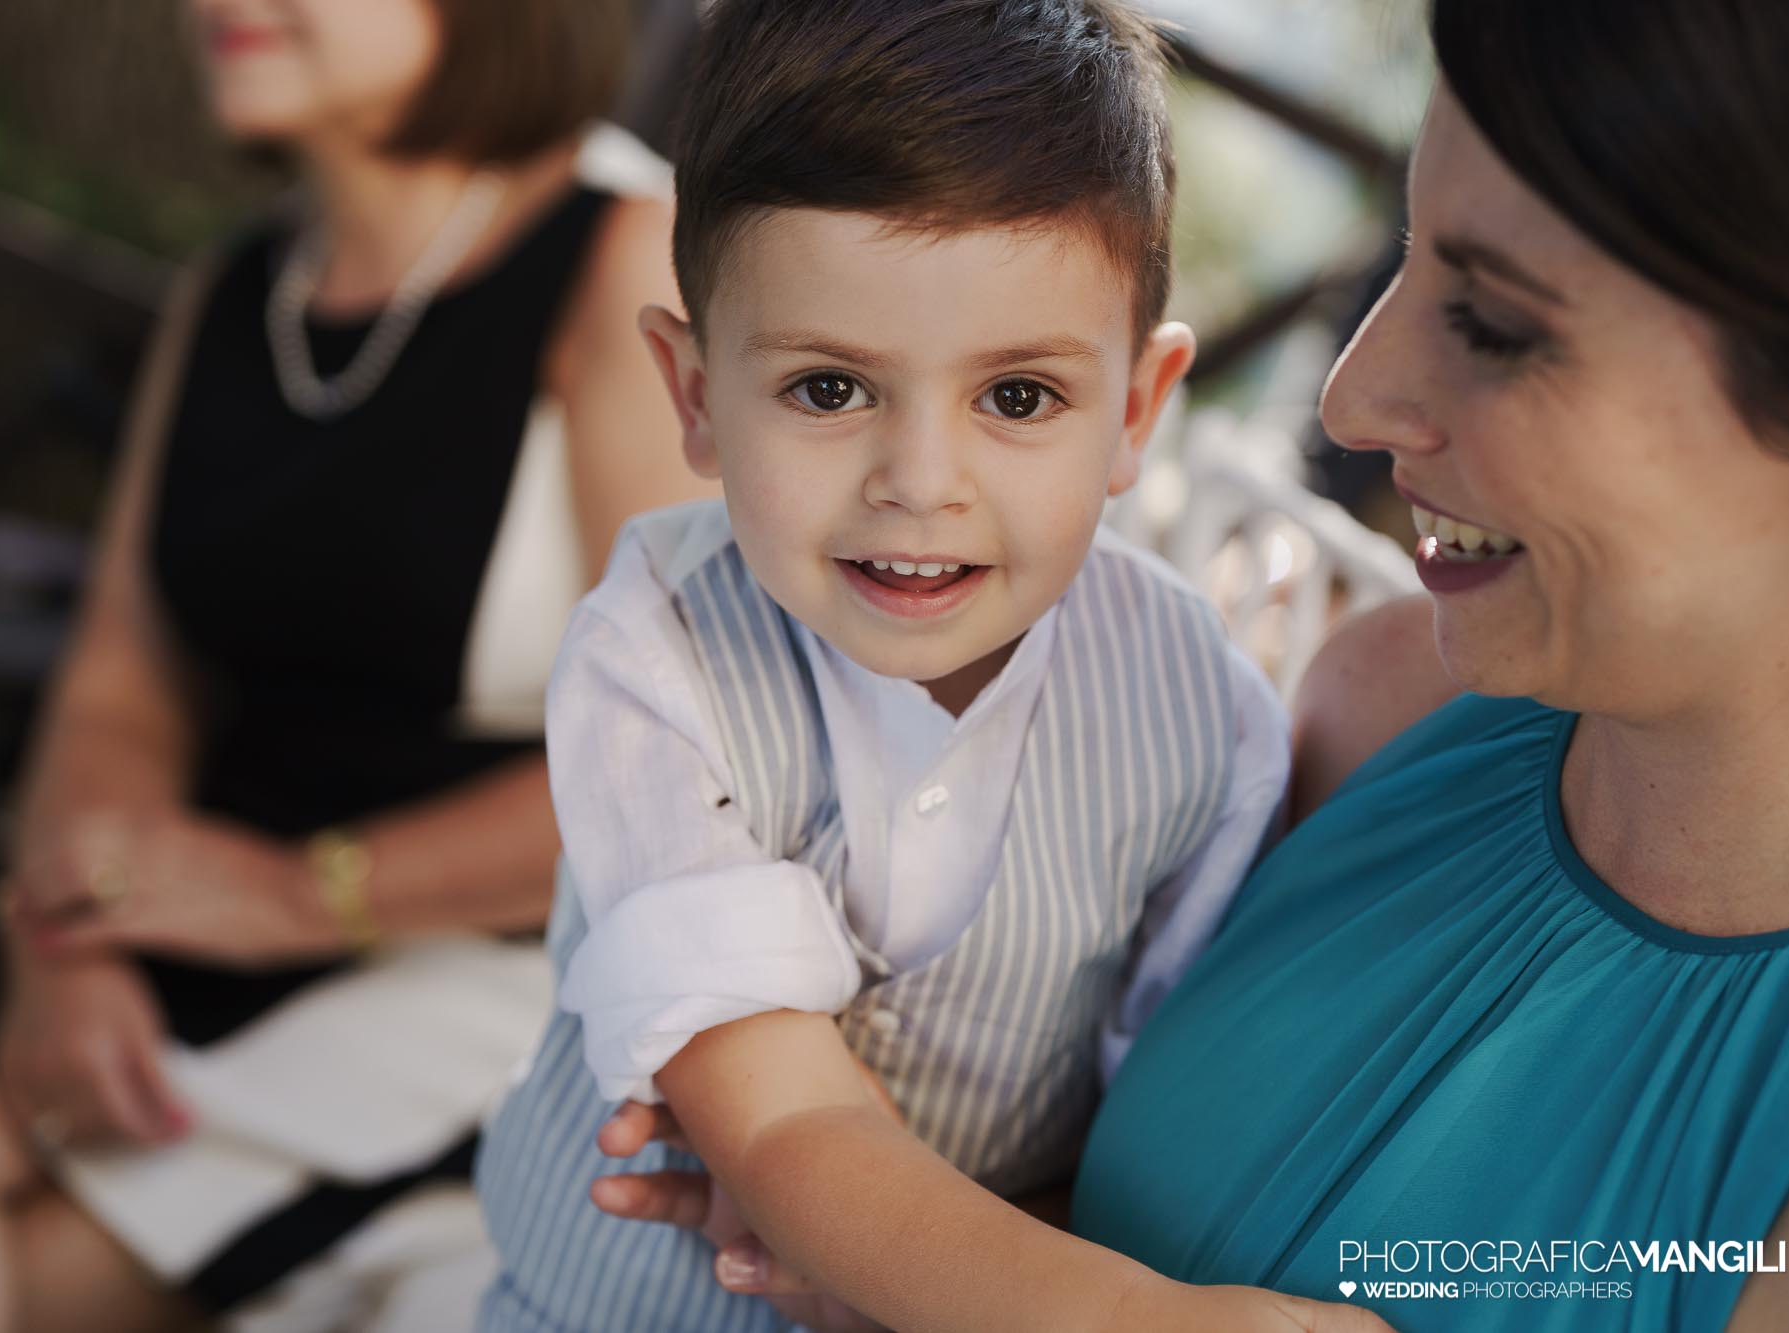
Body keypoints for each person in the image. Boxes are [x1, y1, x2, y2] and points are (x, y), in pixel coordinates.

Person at [595, 0, 1789, 1328]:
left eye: (1492, 321)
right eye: (1402, 260)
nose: (1350, 399)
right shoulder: (1378, 705)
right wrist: (881, 1245)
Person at [471, 2, 1397, 1330]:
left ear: (1136, 410)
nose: (920, 485)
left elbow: (1165, 1097)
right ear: (694, 395)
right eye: (829, 389)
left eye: (1017, 397)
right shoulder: (655, 654)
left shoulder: (1199, 708)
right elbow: (782, 1116)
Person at [0, 0, 710, 1328]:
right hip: (184, 896)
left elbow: (689, 762)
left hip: (473, 951)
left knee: (26, 1279)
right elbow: (124, 679)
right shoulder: (235, 289)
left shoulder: (624, 257)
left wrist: (303, 893)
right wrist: (61, 942)